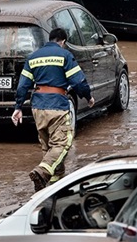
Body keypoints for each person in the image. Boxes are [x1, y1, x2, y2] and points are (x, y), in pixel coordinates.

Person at [11, 28, 95, 192]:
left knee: (48, 147)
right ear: (63, 42)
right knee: (63, 143)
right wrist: (88, 97)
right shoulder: (64, 55)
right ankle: (42, 171)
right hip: (57, 105)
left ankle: (54, 186)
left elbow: (23, 86)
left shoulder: (33, 57)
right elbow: (78, 81)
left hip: (38, 107)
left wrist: (18, 107)